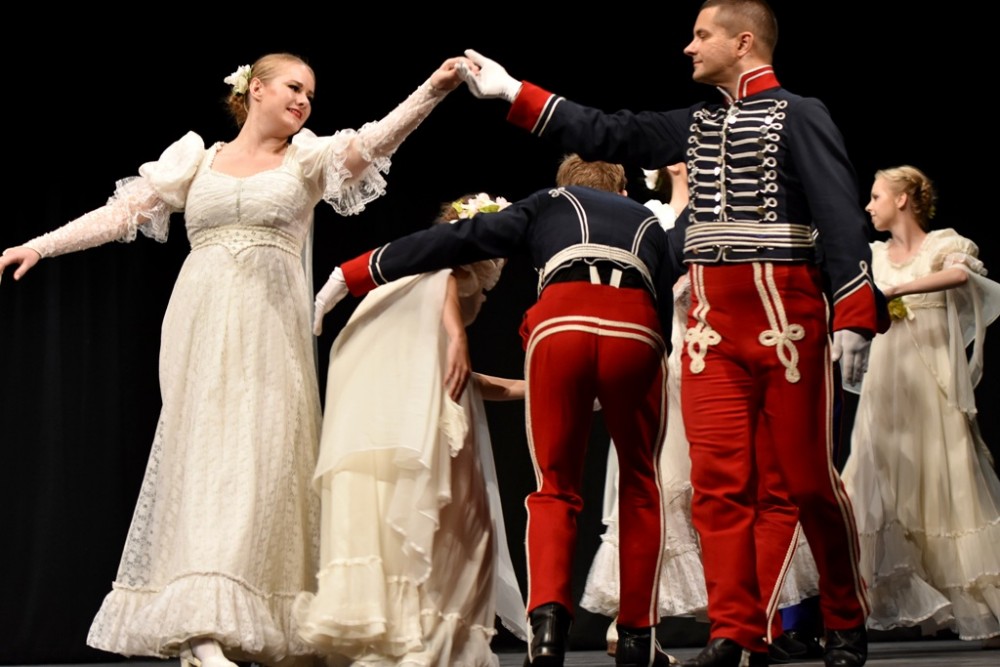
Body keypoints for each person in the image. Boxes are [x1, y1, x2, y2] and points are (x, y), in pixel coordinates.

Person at [0, 52, 471, 667]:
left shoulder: (307, 159)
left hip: (269, 327)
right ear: (255, 90)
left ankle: (237, 621)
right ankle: (201, 625)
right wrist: (41, 245)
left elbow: (376, 141)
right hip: (199, 324)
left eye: (311, 95)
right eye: (293, 87)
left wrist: (433, 88)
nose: (303, 101)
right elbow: (121, 215)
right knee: (203, 462)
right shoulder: (196, 161)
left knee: (262, 464)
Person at [455, 2, 886, 665]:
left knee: (806, 481)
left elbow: (837, 210)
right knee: (716, 486)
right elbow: (606, 131)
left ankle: (845, 617)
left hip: (784, 315)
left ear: (743, 42)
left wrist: (853, 311)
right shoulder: (696, 123)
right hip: (712, 325)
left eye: (702, 35)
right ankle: (735, 631)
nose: (689, 46)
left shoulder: (799, 114)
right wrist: (515, 91)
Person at [314, 154, 678, 667]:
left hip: (560, 328)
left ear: (564, 184)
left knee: (555, 488)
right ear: (620, 190)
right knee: (640, 485)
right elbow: (664, 303)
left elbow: (452, 240)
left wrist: (350, 274)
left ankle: (547, 631)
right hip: (634, 330)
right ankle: (639, 637)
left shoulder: (549, 203)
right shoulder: (646, 220)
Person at [583, 165, 821, 664]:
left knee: (724, 490)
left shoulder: (729, 214)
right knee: (664, 485)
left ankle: (740, 623)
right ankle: (632, 620)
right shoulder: (651, 217)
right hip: (670, 355)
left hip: (720, 359)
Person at [293, 193, 528, 665]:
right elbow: (445, 277)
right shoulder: (441, 276)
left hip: (384, 407)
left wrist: (536, 387)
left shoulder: (404, 285)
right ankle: (428, 638)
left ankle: (406, 634)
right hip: (410, 414)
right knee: (462, 528)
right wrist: (458, 336)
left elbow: (463, 378)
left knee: (417, 524)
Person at [841, 165, 1000, 643]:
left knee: (944, 477)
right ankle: (852, 606)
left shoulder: (943, 244)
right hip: (887, 386)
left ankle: (973, 602)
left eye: (876, 196)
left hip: (931, 383)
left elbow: (961, 274)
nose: (868, 206)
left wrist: (895, 290)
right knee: (876, 476)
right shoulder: (872, 256)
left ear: (903, 199)